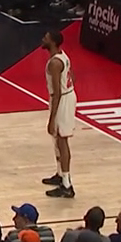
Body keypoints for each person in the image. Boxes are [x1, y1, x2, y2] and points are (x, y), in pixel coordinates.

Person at [41, 30, 78, 198]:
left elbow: (57, 93)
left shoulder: (55, 63)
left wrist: (51, 119)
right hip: (66, 95)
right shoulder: (63, 56)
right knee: (57, 139)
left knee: (62, 140)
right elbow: (73, 77)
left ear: (53, 42)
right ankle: (60, 174)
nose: (43, 39)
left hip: (62, 99)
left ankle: (67, 185)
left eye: (46, 38)